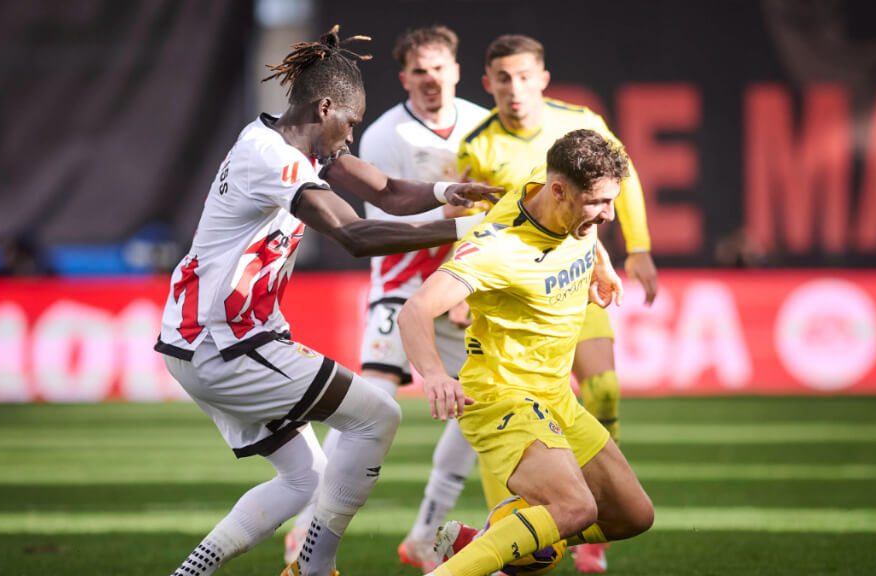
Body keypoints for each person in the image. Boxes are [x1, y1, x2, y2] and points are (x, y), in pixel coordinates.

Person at [154, 26, 498, 576]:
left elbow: (385, 191)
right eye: (350, 123)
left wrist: (443, 193)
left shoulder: (288, 140)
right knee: (378, 416)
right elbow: (355, 234)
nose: (350, 137)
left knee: (305, 478)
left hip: (207, 339)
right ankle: (314, 569)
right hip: (225, 343)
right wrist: (467, 230)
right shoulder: (274, 158)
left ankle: (190, 573)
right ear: (324, 108)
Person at [399, 129, 655, 576]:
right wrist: (436, 375)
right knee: (575, 508)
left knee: (633, 516)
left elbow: (583, 220)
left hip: (556, 397)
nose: (609, 214)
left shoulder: (553, 184)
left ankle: (491, 539)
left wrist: (599, 260)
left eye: (612, 201)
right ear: (559, 192)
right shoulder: (496, 247)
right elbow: (414, 311)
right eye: (598, 203)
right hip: (502, 398)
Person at [281, 25, 490, 572]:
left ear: (456, 71)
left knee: (482, 403)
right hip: (402, 286)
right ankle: (307, 525)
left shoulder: (482, 124)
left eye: (439, 68)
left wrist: (471, 278)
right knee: (372, 403)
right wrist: (454, 218)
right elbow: (386, 217)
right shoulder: (382, 134)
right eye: (420, 71)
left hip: (463, 286)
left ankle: (424, 533)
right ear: (405, 78)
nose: (430, 79)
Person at [455, 33, 659, 573]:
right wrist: (463, 287)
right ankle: (518, 529)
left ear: (543, 79)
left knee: (604, 387)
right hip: (515, 289)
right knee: (511, 430)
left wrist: (631, 250)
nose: (515, 88)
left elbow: (617, 186)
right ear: (488, 84)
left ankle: (569, 512)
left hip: (575, 281)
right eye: (504, 78)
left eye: (524, 76)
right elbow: (475, 224)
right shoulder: (478, 145)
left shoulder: (580, 123)